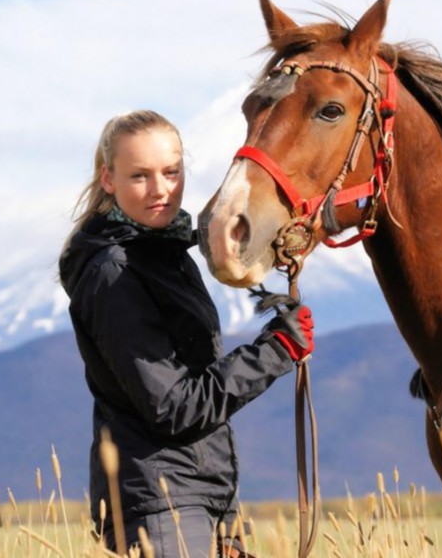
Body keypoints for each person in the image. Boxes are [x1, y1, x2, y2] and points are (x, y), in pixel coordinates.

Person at [58, 110, 315, 557]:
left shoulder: (165, 256)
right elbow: (172, 406)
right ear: (108, 179)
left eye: (170, 172)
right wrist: (276, 351)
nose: (160, 189)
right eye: (139, 175)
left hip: (200, 501)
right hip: (161, 507)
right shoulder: (114, 275)